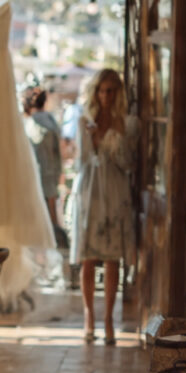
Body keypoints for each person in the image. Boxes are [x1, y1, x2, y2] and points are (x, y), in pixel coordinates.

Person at [68, 69, 138, 345]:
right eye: (102, 90)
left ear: (118, 93)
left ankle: (109, 317)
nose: (106, 96)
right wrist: (92, 139)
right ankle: (89, 316)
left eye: (111, 90)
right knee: (88, 256)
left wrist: (110, 140)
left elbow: (128, 162)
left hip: (116, 188)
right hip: (90, 189)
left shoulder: (128, 123)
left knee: (112, 258)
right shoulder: (85, 120)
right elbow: (80, 161)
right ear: (95, 92)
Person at [21, 86, 67, 247]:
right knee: (52, 206)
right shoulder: (50, 120)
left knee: (44, 208)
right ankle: (54, 240)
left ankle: (50, 241)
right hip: (51, 170)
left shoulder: (31, 123)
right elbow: (58, 149)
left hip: (39, 171)